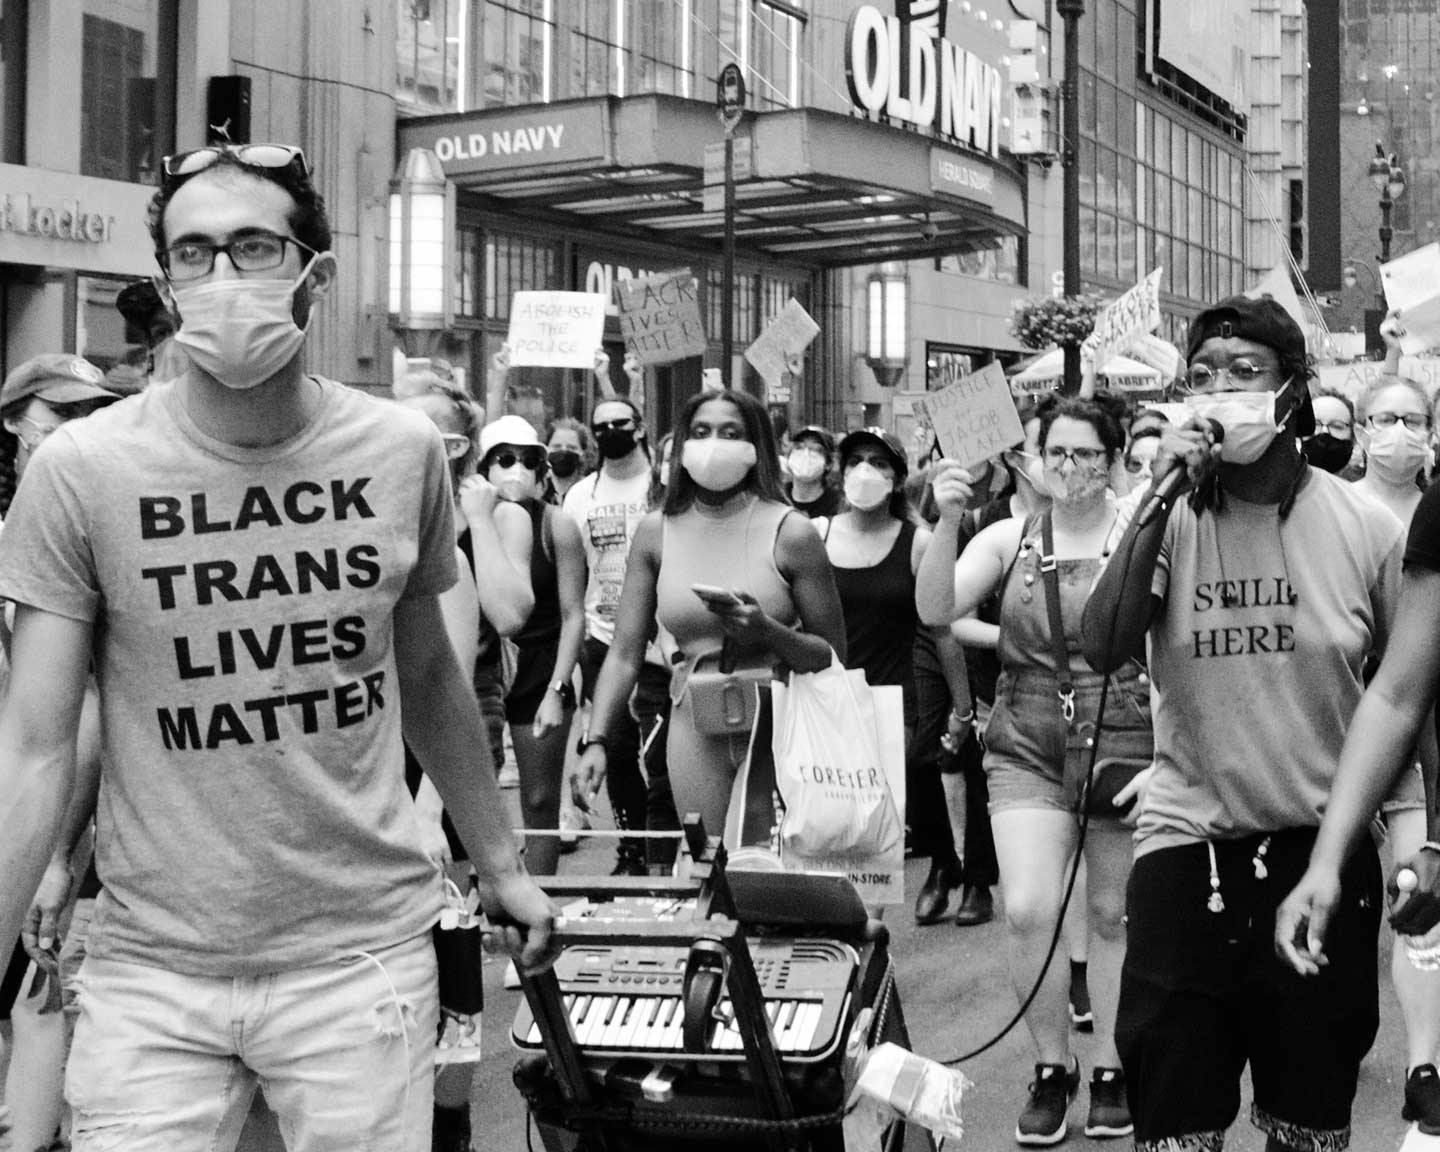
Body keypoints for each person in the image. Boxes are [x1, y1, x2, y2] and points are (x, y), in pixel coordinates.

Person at [0, 142, 554, 1150]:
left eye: (252, 247)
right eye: (194, 253)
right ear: (167, 286)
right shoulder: (81, 472)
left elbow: (430, 675)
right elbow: (36, 744)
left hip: (362, 961)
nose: (222, 277)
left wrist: (502, 860)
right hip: (150, 969)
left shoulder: (400, 452)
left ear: (315, 274)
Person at [1082, 294, 1403, 1152]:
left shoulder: (1365, 526)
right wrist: (1154, 496)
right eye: (1203, 374)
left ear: (1293, 392)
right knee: (1174, 1110)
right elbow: (1104, 642)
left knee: (1309, 1116)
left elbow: (1410, 692)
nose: (1220, 389)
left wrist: (1429, 837)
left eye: (1245, 371)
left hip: (1321, 853)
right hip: (1187, 849)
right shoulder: (1165, 517)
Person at [919, 393, 1146, 1145]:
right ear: (1034, 460)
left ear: (1114, 460)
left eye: (1088, 453)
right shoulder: (1010, 534)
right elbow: (936, 607)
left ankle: (1111, 1063)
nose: (1072, 467)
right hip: (1025, 731)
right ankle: (1053, 1065)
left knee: (1112, 914)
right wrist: (946, 518)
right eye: (1058, 453)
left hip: (1125, 729)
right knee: (1027, 907)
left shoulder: (1141, 531)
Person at [577, 388, 845, 845]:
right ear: (682, 445)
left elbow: (832, 655)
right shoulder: (655, 531)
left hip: (781, 723)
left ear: (756, 445)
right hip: (693, 725)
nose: (713, 443)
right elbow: (624, 653)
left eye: (730, 432)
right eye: (700, 432)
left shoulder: (792, 531)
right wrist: (597, 739)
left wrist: (766, 630)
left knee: (780, 874)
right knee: (711, 865)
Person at [0, 355, 118, 1152]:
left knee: (35, 995)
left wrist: (55, 857)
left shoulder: (91, 538)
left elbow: (84, 714)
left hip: (33, 817)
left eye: (88, 415)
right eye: (57, 414)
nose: (73, 431)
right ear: (14, 422)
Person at [814, 430, 942, 921]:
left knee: (873, 838)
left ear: (897, 479)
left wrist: (960, 710)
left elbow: (942, 630)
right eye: (857, 461)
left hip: (893, 708)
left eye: (879, 463)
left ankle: (867, 946)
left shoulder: (918, 543)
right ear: (841, 473)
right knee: (824, 830)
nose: (866, 471)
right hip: (824, 703)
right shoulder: (815, 534)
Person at [563, 394, 671, 874]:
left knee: (664, 755)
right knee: (616, 751)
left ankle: (666, 849)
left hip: (663, 642)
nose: (611, 431)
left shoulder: (663, 490)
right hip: (604, 637)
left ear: (641, 427)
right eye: (600, 425)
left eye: (620, 423)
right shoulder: (579, 496)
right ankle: (632, 846)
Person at [477, 414, 586, 879]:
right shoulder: (466, 521)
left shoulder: (556, 525)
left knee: (540, 801)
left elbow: (573, 614)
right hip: (479, 668)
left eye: (527, 460)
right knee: (473, 804)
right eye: (504, 459)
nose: (515, 469)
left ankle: (541, 902)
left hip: (540, 668)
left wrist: (558, 690)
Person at [785, 425, 842, 518]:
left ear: (829, 464)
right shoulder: (778, 498)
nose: (806, 454)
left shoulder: (838, 505)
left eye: (815, 449)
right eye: (799, 447)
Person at [1304, 389, 1359, 476]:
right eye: (1315, 424)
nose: (1324, 431)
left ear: (1354, 437)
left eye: (1336, 426)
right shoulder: (1282, 486)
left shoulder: (1363, 488)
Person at [543, 416, 594, 505]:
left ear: (583, 453)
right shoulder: (538, 491)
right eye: (557, 447)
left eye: (571, 448)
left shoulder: (591, 490)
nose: (563, 451)